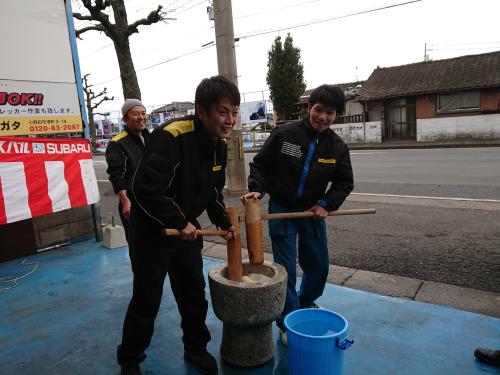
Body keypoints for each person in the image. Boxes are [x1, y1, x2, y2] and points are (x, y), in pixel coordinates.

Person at [117, 76, 240, 375]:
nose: (230, 120)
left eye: (234, 112)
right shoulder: (172, 137)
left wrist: (224, 223)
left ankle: (196, 348)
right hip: (153, 230)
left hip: (186, 231)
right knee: (147, 300)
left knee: (193, 295)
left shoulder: (219, 146)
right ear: (201, 111)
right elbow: (144, 188)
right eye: (223, 112)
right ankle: (130, 359)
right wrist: (178, 221)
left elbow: (212, 192)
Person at [241, 84, 354, 346]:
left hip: (313, 210)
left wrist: (327, 203)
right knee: (285, 269)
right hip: (282, 207)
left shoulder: (336, 147)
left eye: (330, 112)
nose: (323, 117)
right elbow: (261, 165)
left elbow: (344, 183)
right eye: (318, 110)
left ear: (336, 115)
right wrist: (257, 190)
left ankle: (305, 301)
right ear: (309, 108)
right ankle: (287, 320)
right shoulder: (285, 135)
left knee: (318, 264)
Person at [105, 99, 150, 243]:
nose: (141, 117)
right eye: (136, 114)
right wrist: (125, 201)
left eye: (143, 113)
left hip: (154, 199)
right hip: (133, 202)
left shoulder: (151, 138)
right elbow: (116, 175)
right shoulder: (117, 142)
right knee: (139, 247)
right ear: (125, 118)